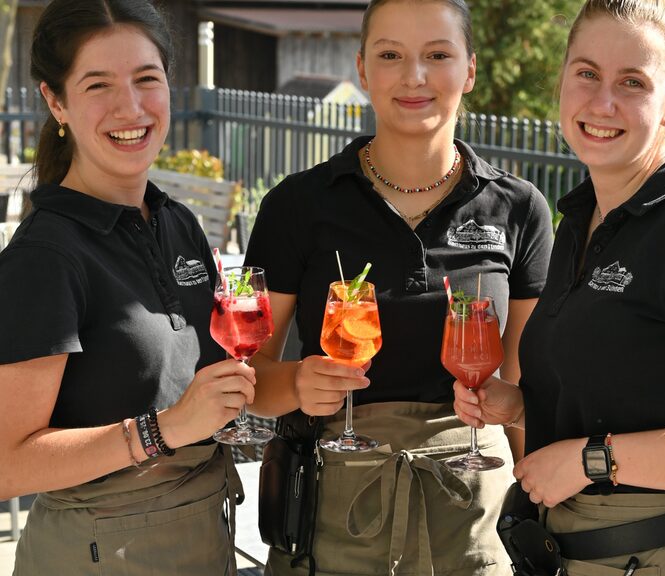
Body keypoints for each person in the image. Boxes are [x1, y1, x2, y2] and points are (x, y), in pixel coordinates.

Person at [455, 0, 665, 573]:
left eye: (632, 82)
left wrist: (592, 461)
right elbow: (626, 394)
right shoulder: (584, 219)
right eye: (587, 73)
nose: (602, 103)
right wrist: (519, 407)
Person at [244, 1, 553, 574]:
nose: (414, 76)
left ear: (469, 70)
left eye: (437, 55)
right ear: (363, 69)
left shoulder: (519, 209)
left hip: (472, 524)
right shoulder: (298, 205)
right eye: (391, 56)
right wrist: (298, 382)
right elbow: (249, 378)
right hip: (332, 520)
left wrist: (540, 521)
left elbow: (524, 392)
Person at [0, 1, 258, 575]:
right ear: (56, 102)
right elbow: (6, 465)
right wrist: (164, 430)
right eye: (99, 85)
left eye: (147, 79)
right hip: (96, 556)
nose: (132, 107)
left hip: (202, 540)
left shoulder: (179, 223)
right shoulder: (45, 257)